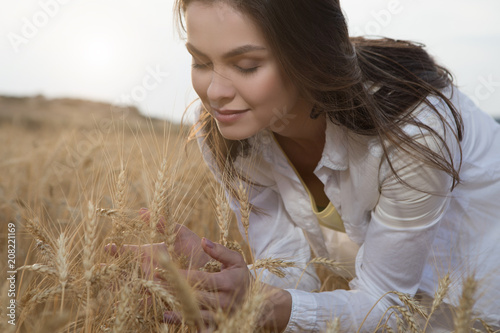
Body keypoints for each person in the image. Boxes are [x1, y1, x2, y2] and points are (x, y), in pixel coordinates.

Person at [139, 1, 500, 332]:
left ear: (310, 58)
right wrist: (212, 270)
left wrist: (264, 306)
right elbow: (290, 273)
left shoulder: (412, 132)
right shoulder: (226, 133)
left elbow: (388, 305)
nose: (214, 91)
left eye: (246, 66)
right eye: (201, 62)